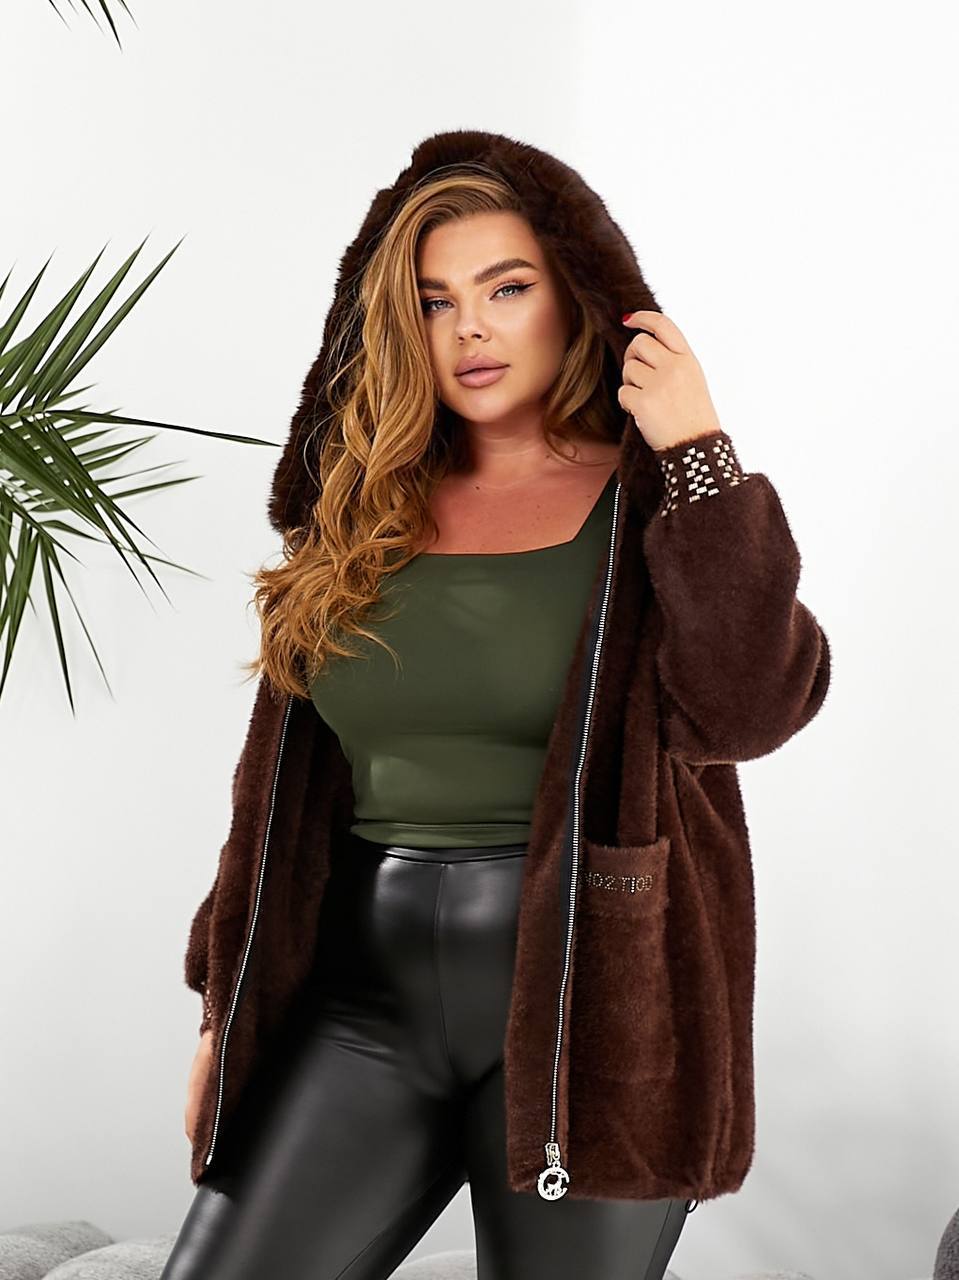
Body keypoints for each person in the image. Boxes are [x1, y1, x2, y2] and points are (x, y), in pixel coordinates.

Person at [161, 129, 831, 1280]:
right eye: (434, 302)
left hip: (596, 1009)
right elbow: (274, 799)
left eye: (504, 288)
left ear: (573, 298)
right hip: (358, 1005)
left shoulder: (651, 510)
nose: (468, 327)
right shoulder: (357, 512)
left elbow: (749, 707)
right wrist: (224, 1005)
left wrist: (696, 452)